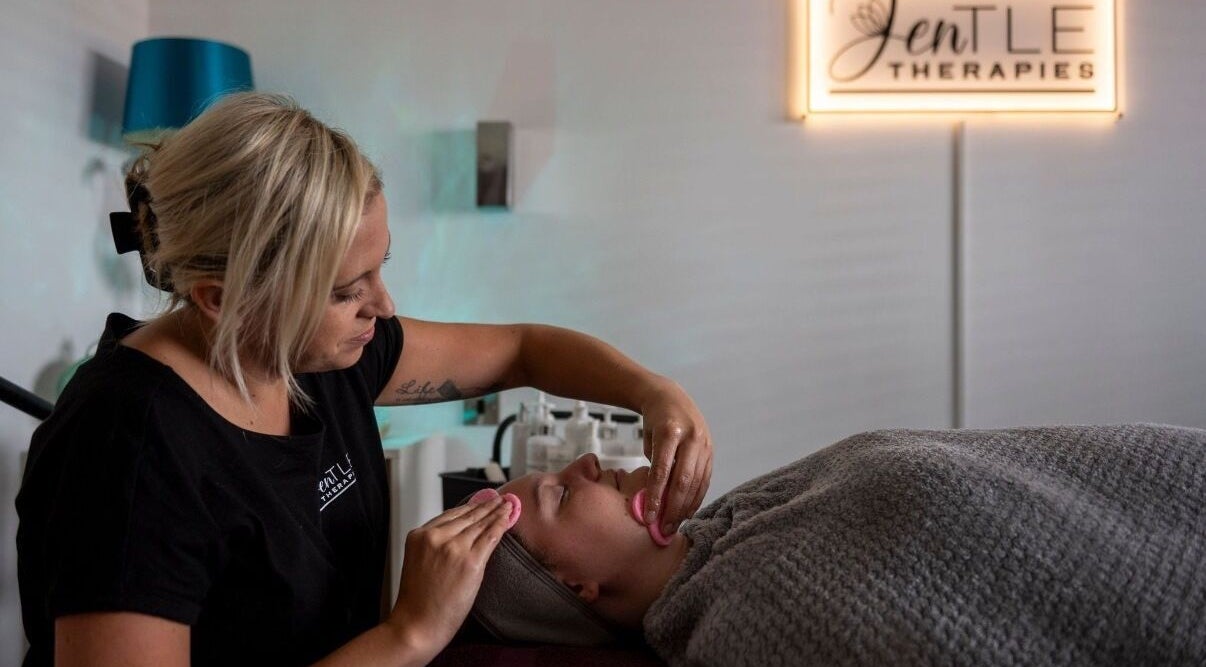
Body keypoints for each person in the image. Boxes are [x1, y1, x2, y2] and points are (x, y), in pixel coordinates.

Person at [15, 92, 713, 667]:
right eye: (346, 290)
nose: (382, 305)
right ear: (223, 300)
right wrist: (408, 634)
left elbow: (523, 351)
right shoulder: (130, 449)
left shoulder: (319, 356)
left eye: (381, 267)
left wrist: (654, 393)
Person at [476, 423, 1206, 666]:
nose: (586, 462)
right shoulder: (744, 624)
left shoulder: (736, 520)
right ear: (575, 586)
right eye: (561, 495)